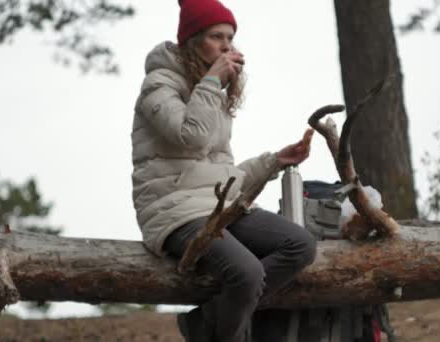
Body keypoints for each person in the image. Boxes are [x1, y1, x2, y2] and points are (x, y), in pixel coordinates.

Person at [131, 0, 317, 341]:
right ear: (193, 41)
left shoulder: (210, 93)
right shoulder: (159, 86)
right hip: (174, 210)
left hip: (217, 207)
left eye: (230, 37)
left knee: (300, 245)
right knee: (246, 274)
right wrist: (213, 81)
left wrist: (275, 161)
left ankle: (206, 322)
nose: (227, 46)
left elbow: (221, 172)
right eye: (217, 36)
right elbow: (191, 137)